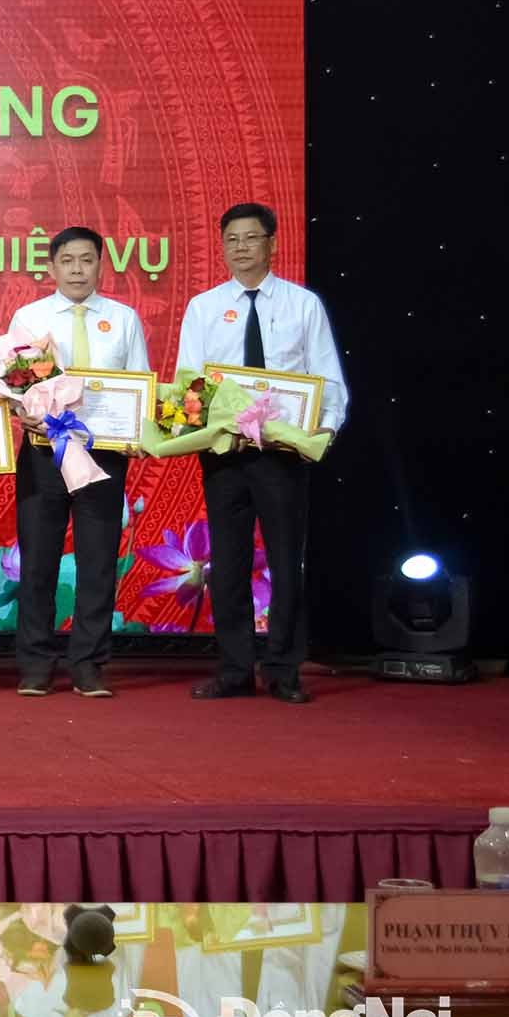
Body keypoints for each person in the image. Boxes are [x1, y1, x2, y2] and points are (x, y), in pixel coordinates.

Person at [176, 203, 347, 705]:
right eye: (232, 239)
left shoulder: (302, 305)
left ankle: (283, 668)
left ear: (272, 243)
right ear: (222, 246)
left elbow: (327, 377)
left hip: (282, 453)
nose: (241, 248)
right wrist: (206, 426)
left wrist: (324, 430)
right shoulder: (204, 307)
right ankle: (234, 668)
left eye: (251, 238)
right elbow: (190, 382)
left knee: (284, 560)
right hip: (225, 453)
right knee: (227, 562)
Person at [6, 226, 151, 699]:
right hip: (44, 453)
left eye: (86, 260)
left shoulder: (123, 319)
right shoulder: (29, 317)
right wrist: (22, 410)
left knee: (98, 562)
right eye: (67, 260)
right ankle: (35, 664)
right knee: (38, 562)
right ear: (51, 266)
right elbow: (12, 384)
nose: (76, 270)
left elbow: (139, 384)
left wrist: (136, 432)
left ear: (100, 265)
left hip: (102, 454)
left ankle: (88, 664)